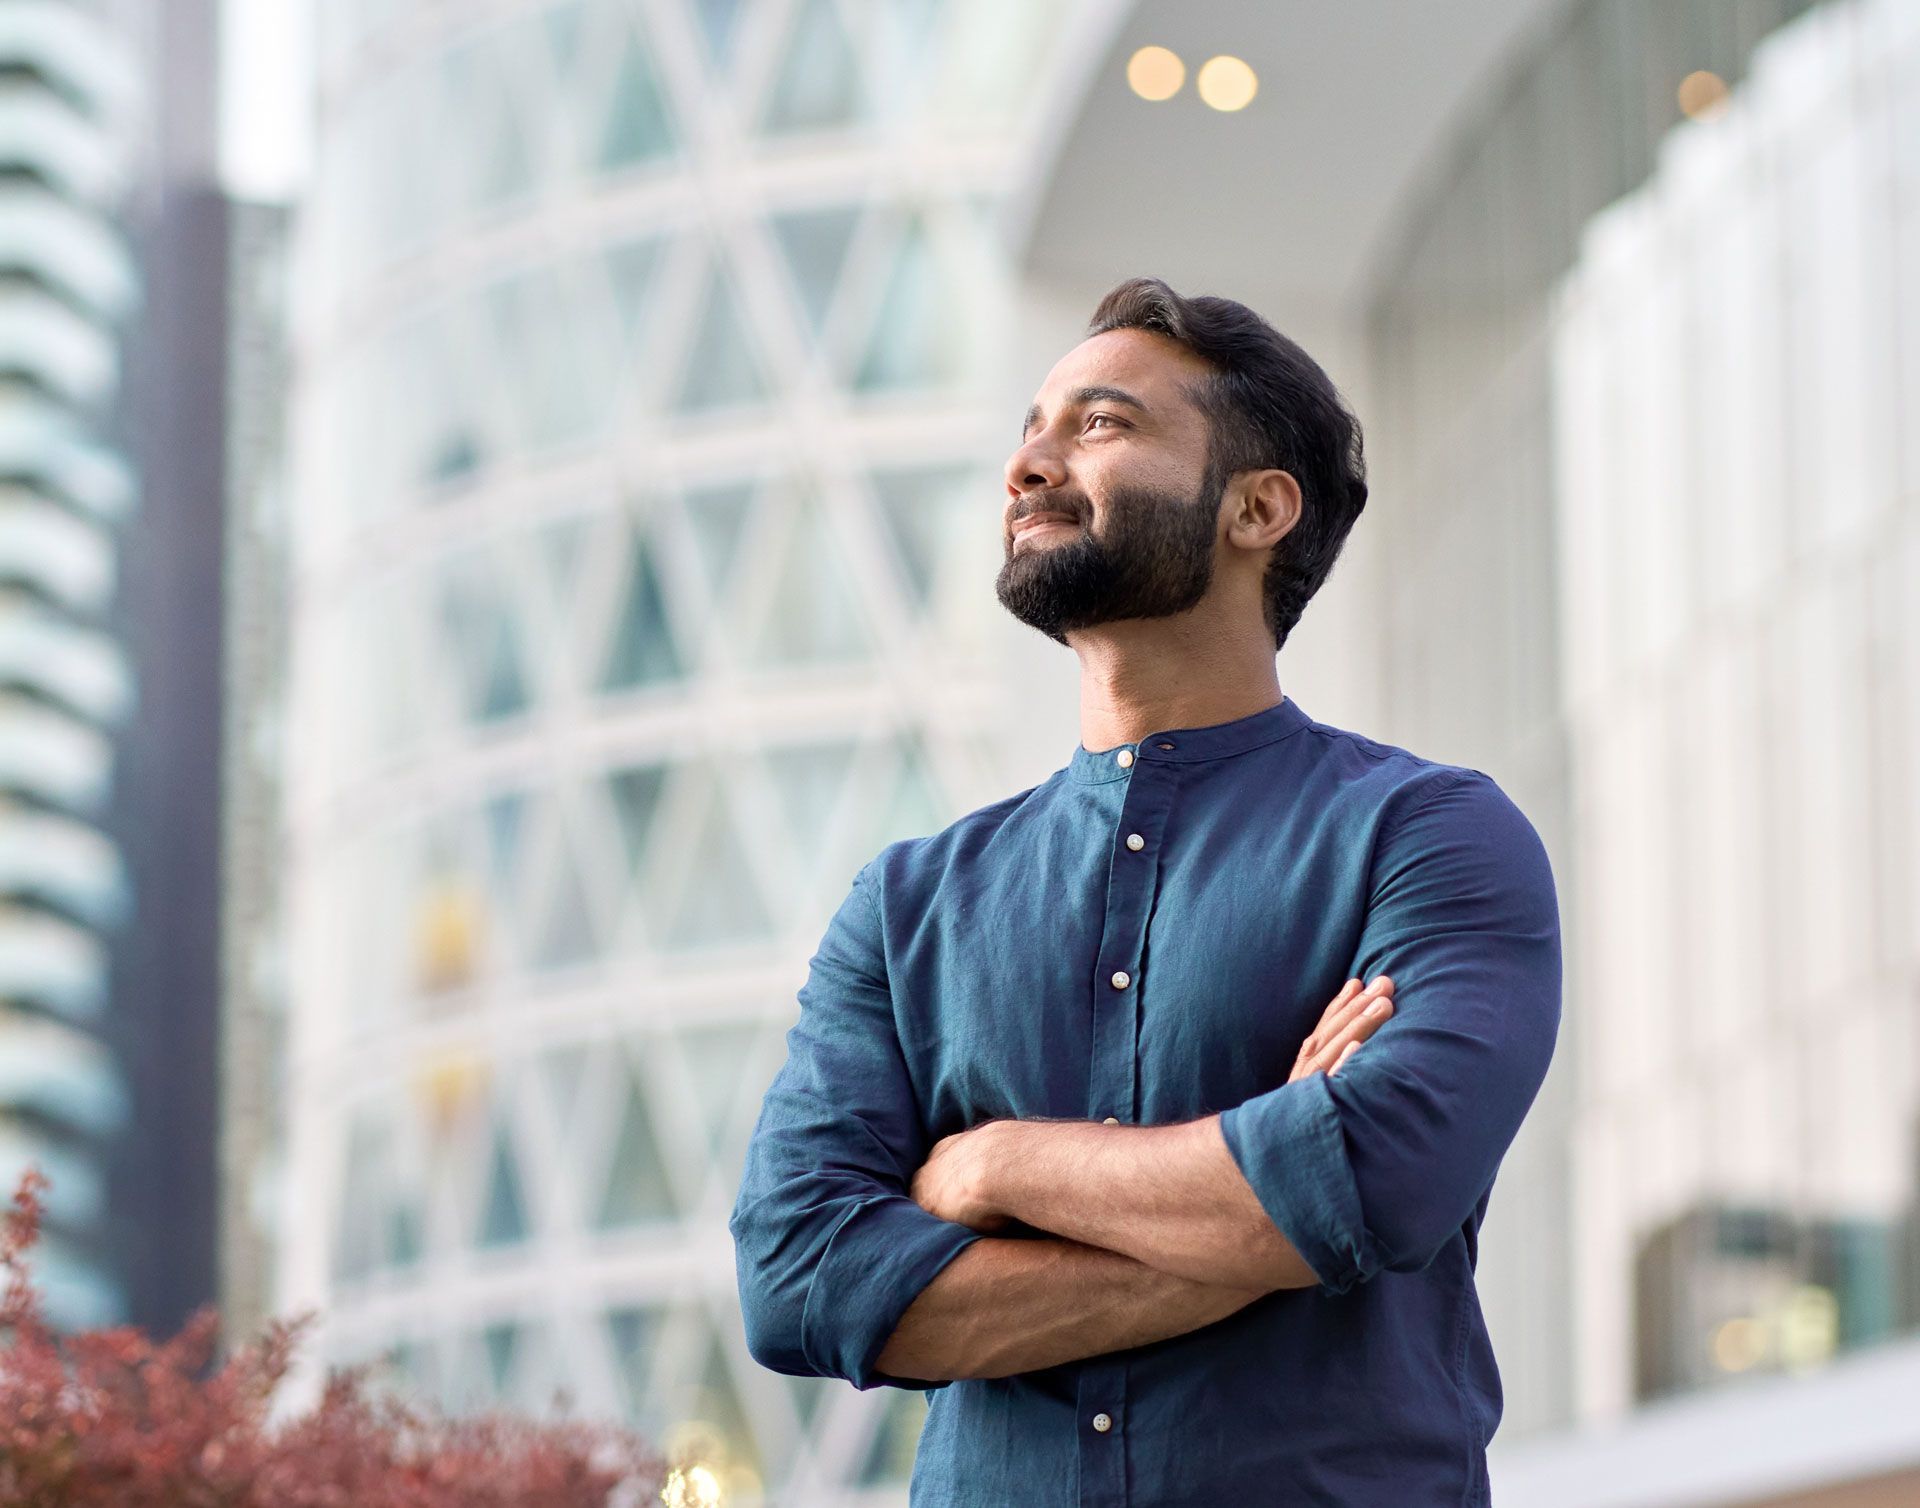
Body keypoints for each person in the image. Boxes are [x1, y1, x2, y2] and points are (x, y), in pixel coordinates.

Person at [728, 276, 1562, 1506]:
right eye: (1032, 429)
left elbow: (1380, 1175)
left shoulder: (1428, 835)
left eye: (1101, 425)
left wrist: (999, 1166)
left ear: (1258, 507)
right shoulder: (907, 906)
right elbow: (800, 1278)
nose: (1031, 465)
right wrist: (1259, 1205)